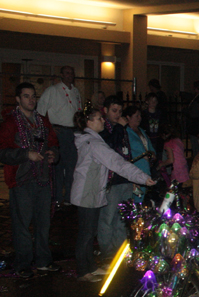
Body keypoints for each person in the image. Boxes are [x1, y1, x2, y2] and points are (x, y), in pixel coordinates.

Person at [71, 109, 155, 282]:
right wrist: (142, 177)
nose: (103, 120)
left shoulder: (93, 140)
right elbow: (116, 162)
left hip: (92, 192)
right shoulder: (93, 143)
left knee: (89, 232)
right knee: (86, 234)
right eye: (99, 118)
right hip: (88, 192)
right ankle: (82, 271)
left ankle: (90, 267)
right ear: (89, 122)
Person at [0, 82, 60, 278]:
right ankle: (23, 263)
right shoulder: (10, 123)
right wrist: (26, 154)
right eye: (26, 96)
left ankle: (43, 260)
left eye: (33, 96)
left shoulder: (43, 122)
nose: (31, 100)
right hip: (22, 181)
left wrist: (53, 153)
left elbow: (53, 143)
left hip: (43, 179)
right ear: (18, 99)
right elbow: (3, 153)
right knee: (22, 225)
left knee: (43, 224)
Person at [36, 66, 81, 206]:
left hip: (73, 132)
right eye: (67, 73)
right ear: (61, 75)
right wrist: (49, 128)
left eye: (71, 72)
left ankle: (69, 197)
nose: (69, 75)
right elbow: (40, 111)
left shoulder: (76, 91)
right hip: (59, 133)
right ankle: (57, 198)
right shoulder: (52, 90)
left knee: (72, 166)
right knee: (58, 166)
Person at [97, 96, 132, 262]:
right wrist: (119, 127)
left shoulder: (121, 128)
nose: (117, 114)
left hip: (124, 178)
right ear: (106, 110)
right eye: (114, 110)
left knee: (122, 217)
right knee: (108, 217)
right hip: (111, 180)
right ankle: (107, 250)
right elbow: (111, 146)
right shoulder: (105, 128)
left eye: (120, 111)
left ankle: (120, 250)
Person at [123, 105, 155, 202]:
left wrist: (152, 155)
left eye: (140, 116)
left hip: (145, 169)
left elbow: (149, 146)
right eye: (136, 116)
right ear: (128, 117)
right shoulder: (126, 132)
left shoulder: (141, 131)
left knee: (141, 199)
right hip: (135, 169)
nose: (139, 118)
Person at [183, 81, 199, 157]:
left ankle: (197, 161)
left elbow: (194, 114)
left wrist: (186, 111)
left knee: (196, 146)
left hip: (196, 127)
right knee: (197, 146)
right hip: (197, 127)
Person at [142, 92, 164, 161]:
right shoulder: (144, 114)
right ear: (147, 102)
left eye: (155, 101)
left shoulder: (160, 114)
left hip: (158, 140)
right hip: (149, 139)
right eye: (151, 101)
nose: (153, 103)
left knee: (158, 158)